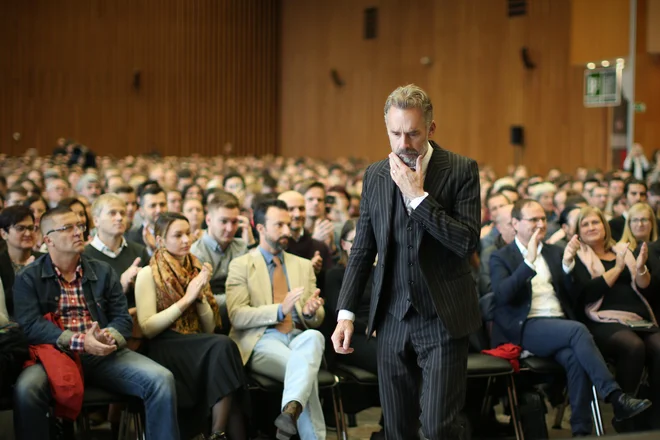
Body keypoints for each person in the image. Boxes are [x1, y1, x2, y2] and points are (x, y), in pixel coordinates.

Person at [332, 84, 481, 439]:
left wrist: (418, 198)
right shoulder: (375, 175)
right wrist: (346, 314)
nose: (403, 143)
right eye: (395, 133)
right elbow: (362, 250)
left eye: (412, 133)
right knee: (397, 429)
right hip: (392, 318)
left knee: (437, 427)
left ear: (430, 129)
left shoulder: (461, 170)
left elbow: (466, 242)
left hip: (442, 318)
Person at [12, 206, 178, 440]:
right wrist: (81, 341)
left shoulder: (102, 271)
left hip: (102, 354)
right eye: (67, 228)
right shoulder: (29, 277)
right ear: (48, 239)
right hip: (56, 354)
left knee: (161, 379)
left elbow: (122, 318)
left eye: (79, 226)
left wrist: (107, 336)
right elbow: (30, 325)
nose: (78, 232)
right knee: (26, 390)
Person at [490, 199, 651, 436]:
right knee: (577, 331)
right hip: (526, 326)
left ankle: (581, 430)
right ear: (515, 223)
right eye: (533, 219)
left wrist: (567, 266)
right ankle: (616, 397)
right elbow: (503, 296)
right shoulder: (502, 257)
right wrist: (528, 262)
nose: (541, 224)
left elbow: (576, 296)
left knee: (575, 359)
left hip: (559, 324)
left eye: (543, 219)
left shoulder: (556, 251)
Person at [135, 212, 248, 440]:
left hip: (196, 342)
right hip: (165, 344)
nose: (187, 240)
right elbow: (147, 328)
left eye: (188, 233)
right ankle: (224, 433)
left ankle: (218, 432)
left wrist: (199, 297)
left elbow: (208, 329)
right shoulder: (148, 274)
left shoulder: (196, 270)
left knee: (222, 347)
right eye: (178, 235)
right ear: (160, 241)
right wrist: (186, 298)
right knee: (223, 347)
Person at [226, 199, 326, 440]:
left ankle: (289, 414)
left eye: (288, 224)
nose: (286, 230)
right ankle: (299, 421)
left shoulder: (303, 266)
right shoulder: (241, 265)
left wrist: (312, 312)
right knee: (304, 370)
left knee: (315, 335)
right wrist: (279, 310)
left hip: (298, 337)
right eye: (278, 225)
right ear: (260, 228)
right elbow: (237, 315)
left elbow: (317, 319)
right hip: (262, 339)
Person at [572, 206, 660, 431]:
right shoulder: (578, 256)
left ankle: (654, 414)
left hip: (637, 317)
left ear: (605, 226)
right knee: (633, 346)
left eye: (596, 222)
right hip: (601, 320)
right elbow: (587, 294)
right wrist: (618, 268)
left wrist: (640, 269)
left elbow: (646, 288)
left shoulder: (623, 249)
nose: (592, 227)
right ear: (578, 231)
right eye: (586, 224)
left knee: (659, 346)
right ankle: (625, 414)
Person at [191, 193, 249, 328]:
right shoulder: (196, 252)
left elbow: (251, 285)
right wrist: (241, 299)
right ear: (209, 220)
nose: (230, 228)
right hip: (209, 320)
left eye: (234, 222)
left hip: (241, 317)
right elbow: (202, 297)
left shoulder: (241, 246)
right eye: (224, 221)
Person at [0, 206, 44, 319]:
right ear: (4, 233)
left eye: (31, 228)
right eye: (20, 228)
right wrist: (25, 274)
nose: (28, 233)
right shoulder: (1, 264)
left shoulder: (44, 260)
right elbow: (8, 304)